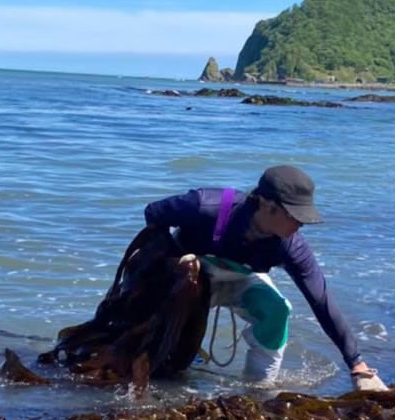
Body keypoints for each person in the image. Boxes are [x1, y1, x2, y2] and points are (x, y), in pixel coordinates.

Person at [143, 164, 382, 387]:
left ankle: (258, 389)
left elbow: (321, 300)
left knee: (277, 311)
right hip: (187, 278)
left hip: (238, 279)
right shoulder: (205, 206)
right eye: (295, 215)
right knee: (162, 358)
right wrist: (164, 268)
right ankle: (173, 354)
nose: (301, 224)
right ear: (267, 205)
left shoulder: (291, 246)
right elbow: (153, 213)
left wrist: (355, 361)